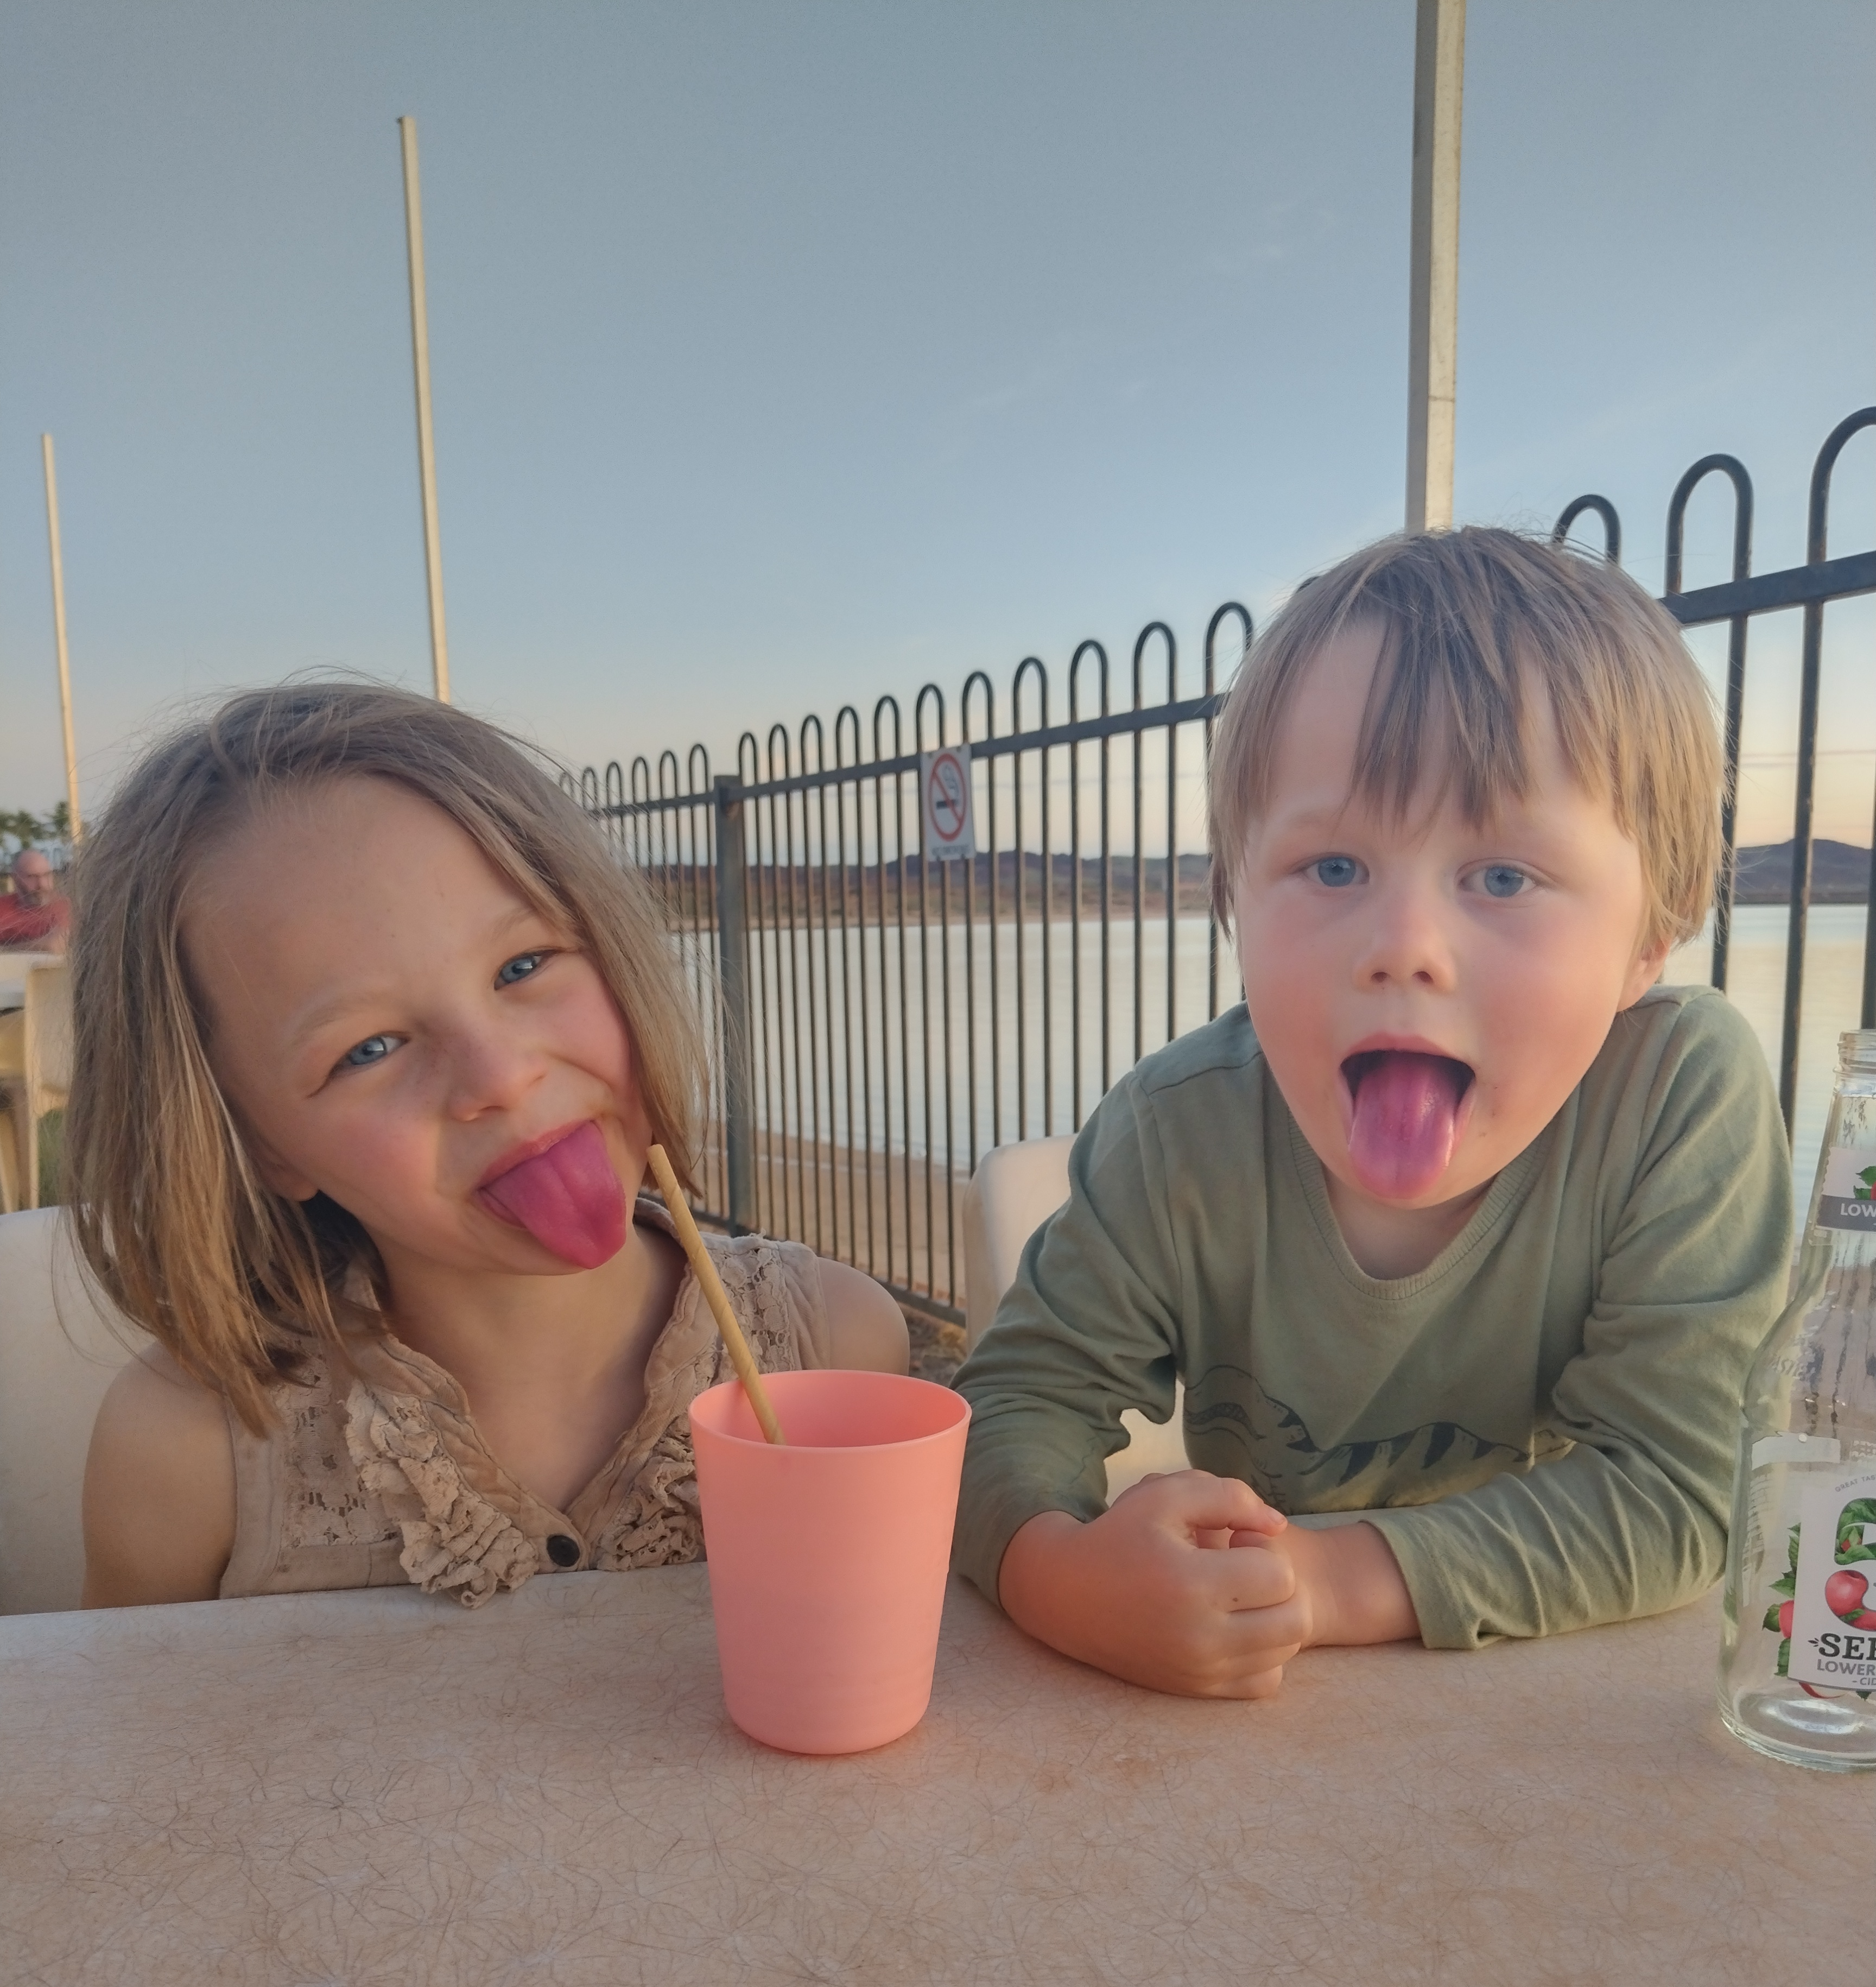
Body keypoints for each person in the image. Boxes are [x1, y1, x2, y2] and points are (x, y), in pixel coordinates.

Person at [953, 528, 1791, 1697]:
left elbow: (1674, 1487)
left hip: (1560, 1710)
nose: (1404, 948)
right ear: (1234, 895)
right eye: (1335, 868)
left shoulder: (1675, 1100)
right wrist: (1060, 1579)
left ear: (1650, 936)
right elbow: (1011, 1405)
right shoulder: (1177, 1135)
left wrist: (1322, 1582)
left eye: (1502, 876)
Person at [70, 682, 908, 1607]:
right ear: (261, 1145)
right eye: (369, 1049)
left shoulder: (839, 1344)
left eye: (523, 965)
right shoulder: (187, 1457)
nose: (501, 1076)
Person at [0, 846, 71, 951]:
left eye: (47, 875)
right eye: (32, 877)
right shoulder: (3, 907)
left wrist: (5, 950)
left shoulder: (62, 907)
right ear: (16, 879)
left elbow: (56, 945)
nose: (42, 885)